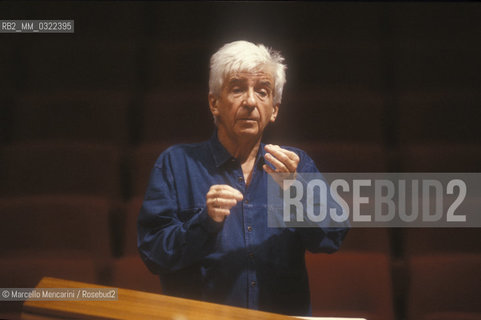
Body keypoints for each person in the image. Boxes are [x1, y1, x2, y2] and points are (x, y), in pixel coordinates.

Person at [137, 40, 348, 316]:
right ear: (214, 102)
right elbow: (154, 254)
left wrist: (297, 191)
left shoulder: (297, 166)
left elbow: (332, 237)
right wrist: (204, 222)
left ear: (274, 109)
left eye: (263, 91)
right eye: (237, 89)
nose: (250, 101)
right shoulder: (175, 164)